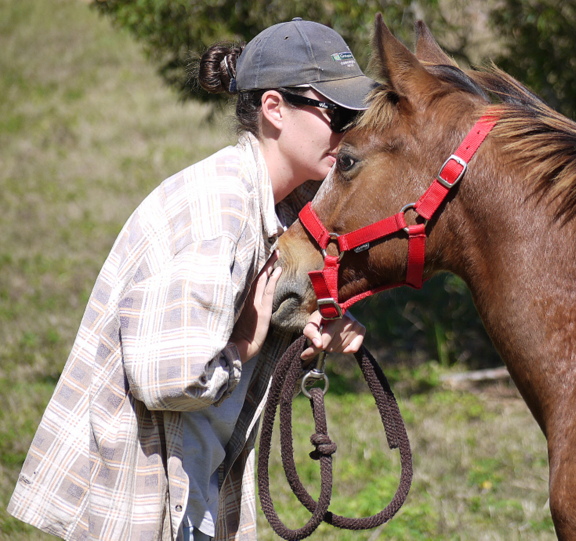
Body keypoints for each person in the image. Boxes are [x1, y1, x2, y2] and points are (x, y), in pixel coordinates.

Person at [7, 18, 374, 541]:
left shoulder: (281, 207)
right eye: (336, 112)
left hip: (191, 478)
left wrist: (313, 326)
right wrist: (248, 341)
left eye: (355, 115)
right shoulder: (218, 213)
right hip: (143, 493)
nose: (348, 131)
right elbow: (171, 378)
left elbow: (262, 304)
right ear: (274, 108)